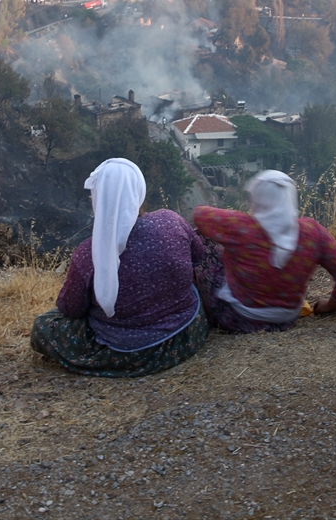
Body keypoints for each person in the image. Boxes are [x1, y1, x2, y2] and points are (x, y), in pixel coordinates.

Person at [31, 158, 209, 377]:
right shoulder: (171, 220)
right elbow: (199, 257)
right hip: (189, 332)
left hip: (131, 353)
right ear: (139, 191)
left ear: (97, 200)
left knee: (43, 324)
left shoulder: (89, 253)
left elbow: (71, 309)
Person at [192, 170, 336, 333]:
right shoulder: (313, 232)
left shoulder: (242, 227)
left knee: (201, 237)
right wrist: (331, 304)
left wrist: (237, 217)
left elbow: (199, 214)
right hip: (285, 319)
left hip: (236, 318)